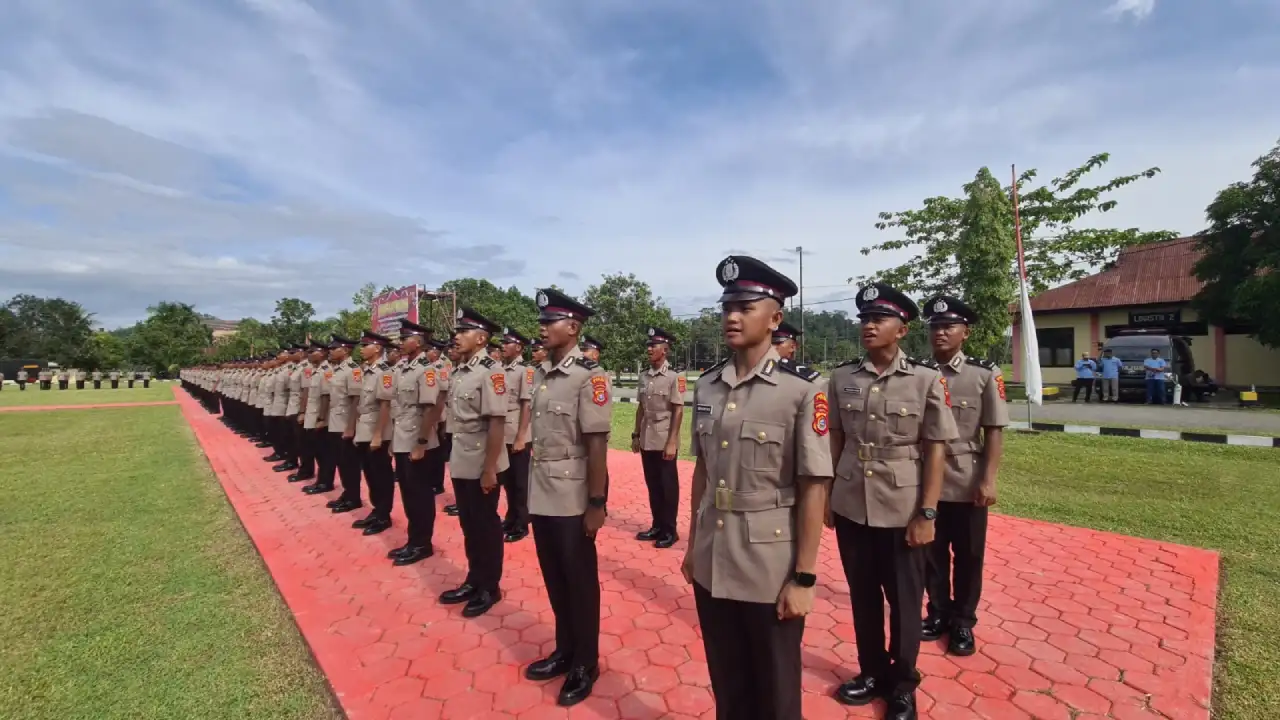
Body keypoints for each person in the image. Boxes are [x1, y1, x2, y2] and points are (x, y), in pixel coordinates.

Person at [679, 257, 832, 720]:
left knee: (776, 689)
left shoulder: (802, 389)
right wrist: (693, 545)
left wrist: (804, 577)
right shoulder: (708, 386)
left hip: (769, 563)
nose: (732, 316)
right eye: (727, 307)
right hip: (713, 554)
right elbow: (703, 471)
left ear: (775, 318)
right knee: (728, 683)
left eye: (745, 307)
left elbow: (814, 485)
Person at [827, 282, 959, 720]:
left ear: (901, 329)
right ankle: (871, 671)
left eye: (878, 319)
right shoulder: (843, 377)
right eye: (864, 319)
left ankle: (903, 685)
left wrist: (928, 512)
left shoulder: (925, 379)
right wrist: (829, 494)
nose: (868, 325)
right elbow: (836, 438)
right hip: (852, 503)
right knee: (863, 596)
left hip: (903, 508)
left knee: (904, 601)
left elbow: (936, 448)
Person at [523, 288, 613, 707]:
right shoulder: (542, 373)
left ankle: (586, 662)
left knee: (579, 581)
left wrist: (596, 503)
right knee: (555, 577)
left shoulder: (589, 376)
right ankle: (565, 649)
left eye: (549, 322)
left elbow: (596, 444)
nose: (542, 328)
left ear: (573, 327)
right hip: (542, 488)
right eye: (541, 322)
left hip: (573, 494)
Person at [918, 296, 1009, 658]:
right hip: (924, 479)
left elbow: (994, 430)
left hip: (965, 478)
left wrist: (988, 479)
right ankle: (938, 611)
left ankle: (963, 622)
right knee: (931, 552)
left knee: (969, 555)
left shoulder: (984, 374)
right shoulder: (917, 372)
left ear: (965, 333)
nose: (940, 333)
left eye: (948, 326)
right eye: (935, 327)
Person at [439, 306, 509, 617]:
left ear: (481, 338)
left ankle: (489, 587)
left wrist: (490, 469)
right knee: (468, 523)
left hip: (483, 460)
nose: (456, 336)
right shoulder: (459, 371)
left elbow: (496, 422)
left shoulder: (491, 372)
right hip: (462, 457)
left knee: (485, 525)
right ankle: (474, 578)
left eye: (463, 331)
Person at [388, 320, 443, 566]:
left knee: (420, 495)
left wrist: (421, 442)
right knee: (408, 493)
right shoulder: (403, 368)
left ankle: (422, 544)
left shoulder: (426, 370)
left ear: (418, 342)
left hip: (417, 440)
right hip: (402, 438)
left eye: (404, 339)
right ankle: (413, 540)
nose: (400, 343)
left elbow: (430, 408)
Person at [632, 326, 685, 549]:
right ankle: (657, 526)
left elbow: (678, 410)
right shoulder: (644, 376)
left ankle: (670, 530)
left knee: (668, 487)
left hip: (664, 439)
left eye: (654, 346)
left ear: (665, 350)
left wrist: (672, 441)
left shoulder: (674, 377)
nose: (649, 349)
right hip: (647, 438)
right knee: (653, 485)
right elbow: (641, 409)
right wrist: (636, 434)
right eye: (648, 345)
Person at [349, 332, 397, 535]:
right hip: (365, 427)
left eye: (365, 345)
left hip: (378, 430)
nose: (361, 349)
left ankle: (384, 515)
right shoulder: (367, 371)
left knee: (381, 475)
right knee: (369, 473)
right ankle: (377, 510)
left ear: (377, 349)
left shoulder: (384, 373)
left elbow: (385, 405)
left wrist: (378, 435)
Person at [498, 328, 534, 543]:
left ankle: (522, 523)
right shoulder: (501, 369)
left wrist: (521, 436)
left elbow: (526, 404)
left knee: (520, 482)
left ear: (518, 347)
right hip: (503, 433)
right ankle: (511, 517)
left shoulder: (524, 371)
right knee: (508, 480)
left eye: (507, 343)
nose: (502, 346)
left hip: (517, 433)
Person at [320, 337, 364, 509]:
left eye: (334, 348)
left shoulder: (353, 370)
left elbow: (355, 400)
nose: (330, 351)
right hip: (335, 421)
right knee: (340, 461)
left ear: (345, 350)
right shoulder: (337, 370)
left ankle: (354, 498)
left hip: (345, 423)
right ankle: (347, 493)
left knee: (349, 463)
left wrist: (351, 427)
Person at [292, 342, 328, 484]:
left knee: (322, 452)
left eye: (313, 351)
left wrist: (322, 418)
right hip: (310, 414)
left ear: (322, 353)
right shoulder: (312, 369)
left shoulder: (327, 371)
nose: (310, 354)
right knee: (308, 446)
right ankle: (311, 474)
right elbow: (306, 391)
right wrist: (303, 412)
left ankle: (324, 481)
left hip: (319, 416)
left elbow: (326, 396)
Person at [423, 338, 453, 497]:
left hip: (438, 413)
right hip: (430, 412)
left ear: (435, 352)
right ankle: (430, 479)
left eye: (428, 350)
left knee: (437, 451)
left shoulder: (440, 367)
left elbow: (442, 394)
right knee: (430, 449)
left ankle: (437, 483)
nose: (425, 353)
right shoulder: (428, 367)